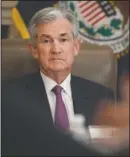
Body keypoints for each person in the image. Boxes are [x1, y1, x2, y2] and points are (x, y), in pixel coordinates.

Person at [2, 7, 129, 156]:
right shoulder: (10, 98)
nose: (56, 49)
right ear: (34, 50)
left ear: (75, 47)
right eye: (46, 41)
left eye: (63, 39)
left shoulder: (102, 96)